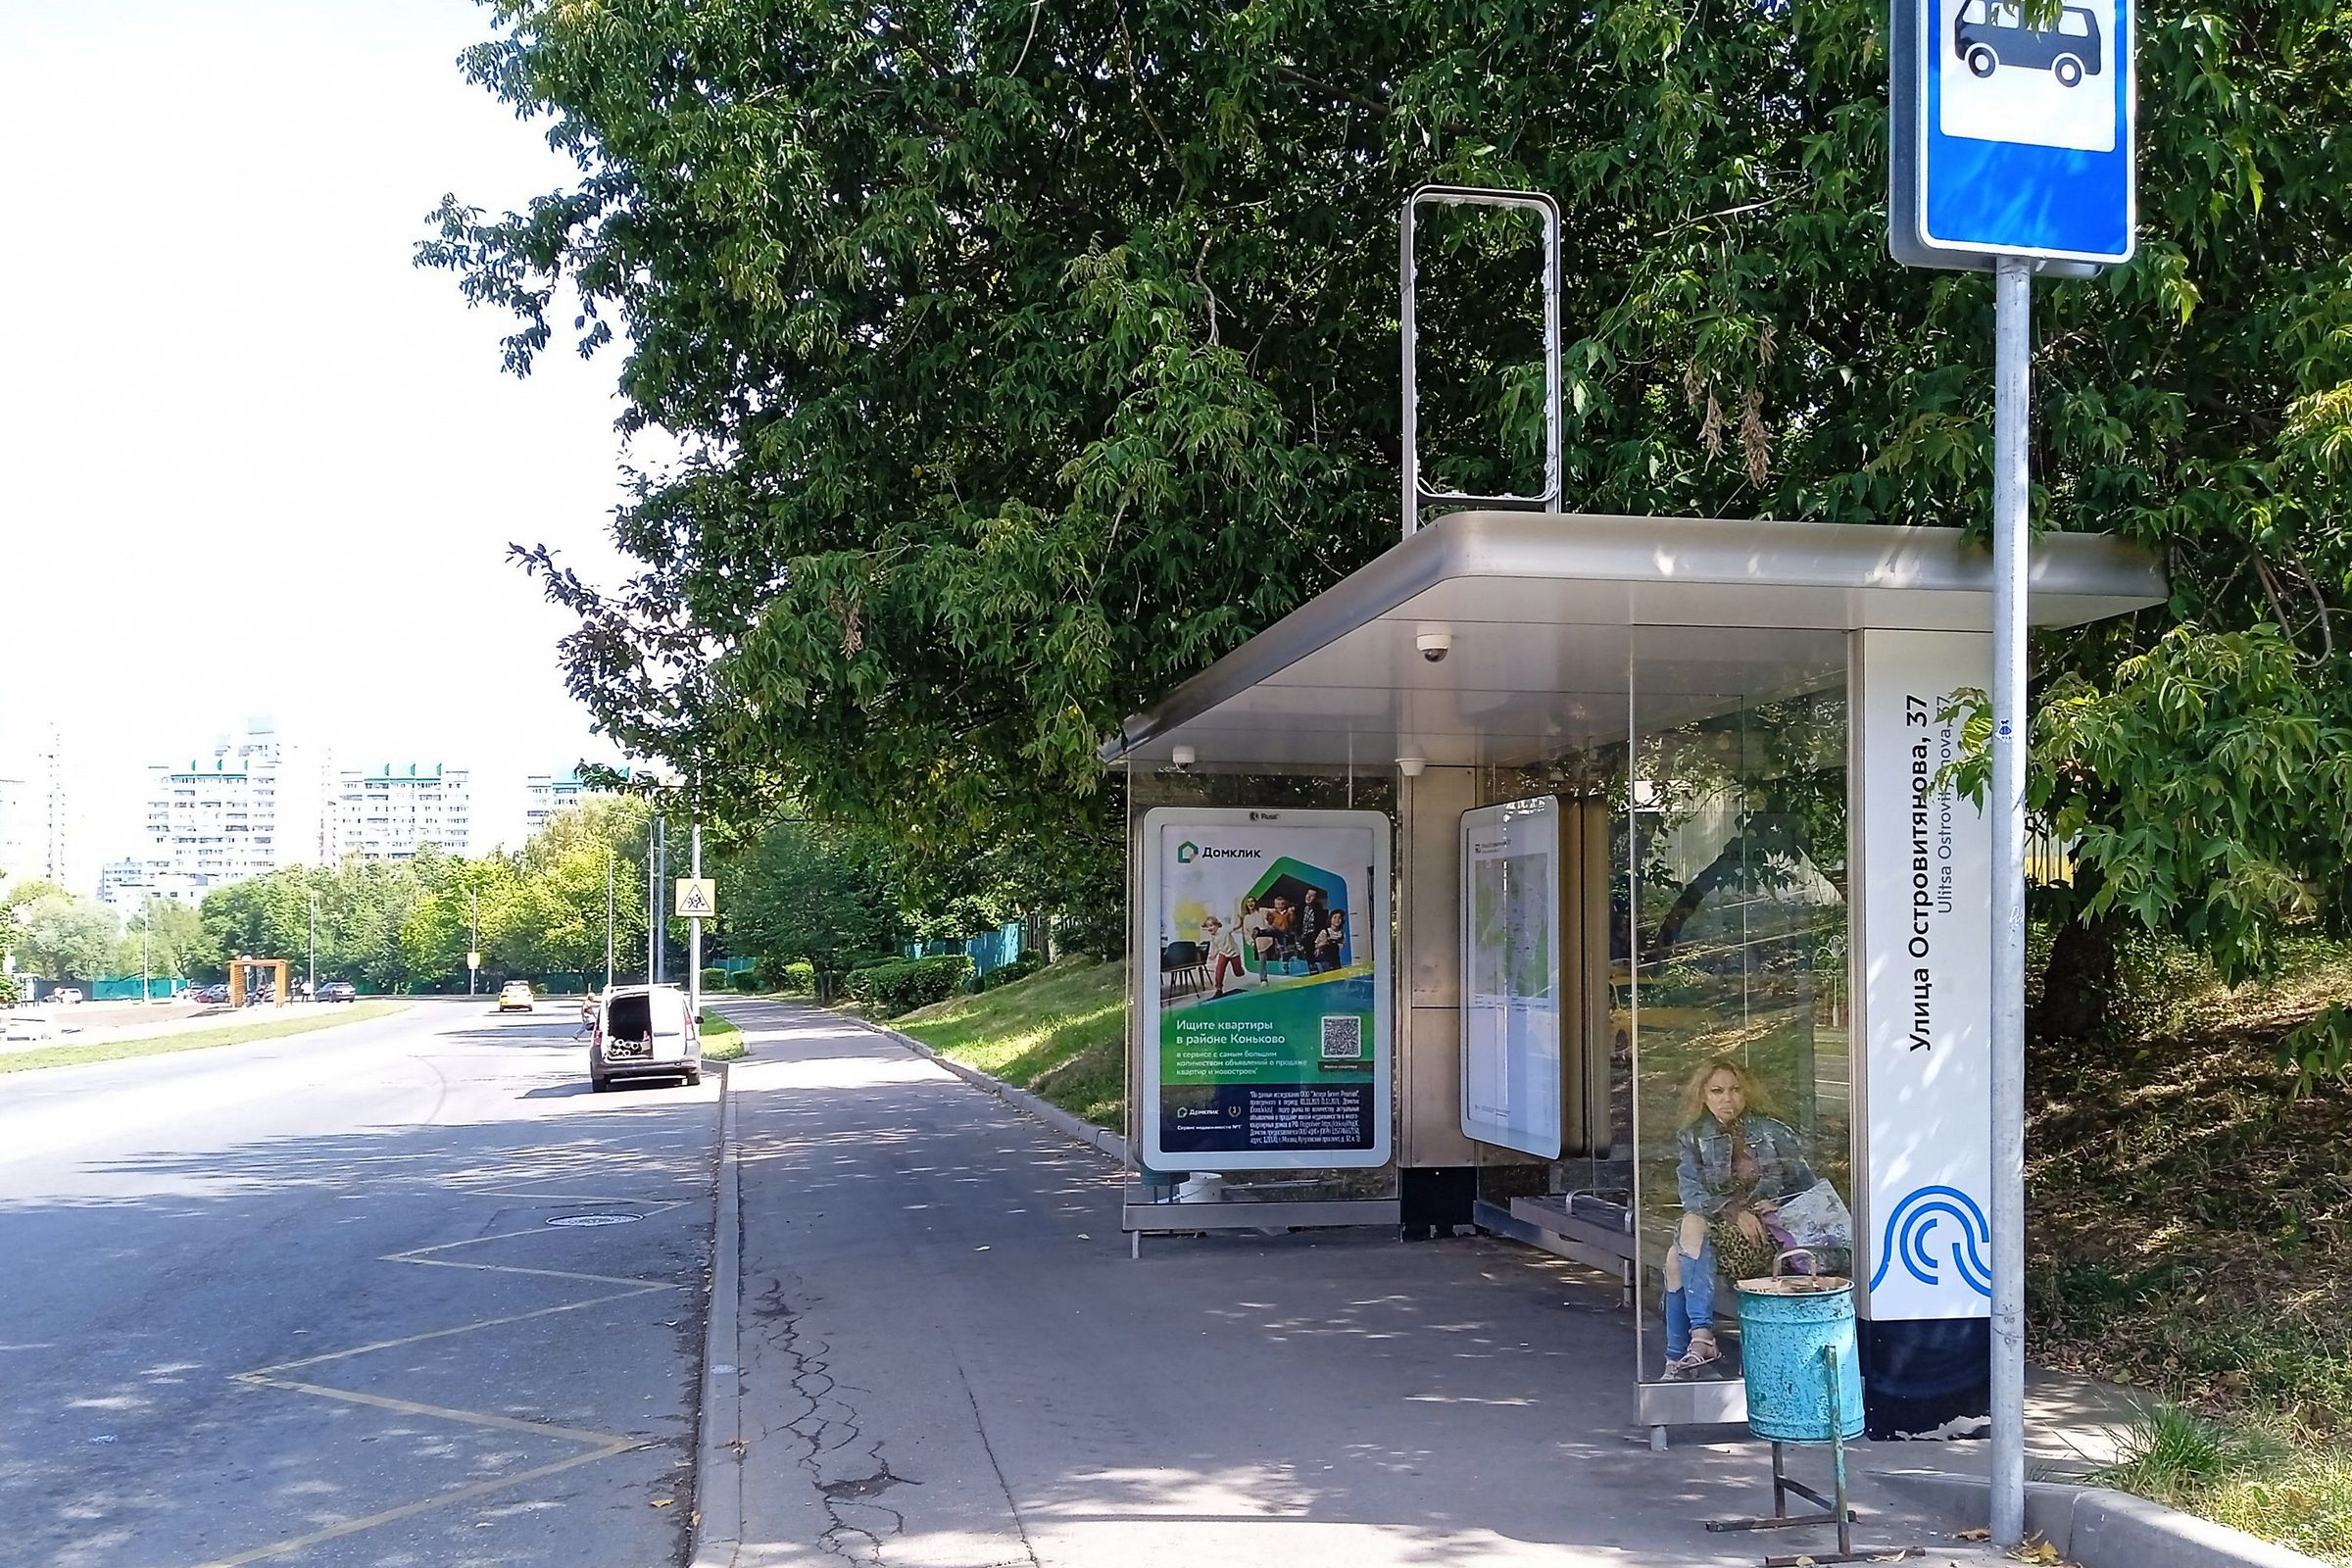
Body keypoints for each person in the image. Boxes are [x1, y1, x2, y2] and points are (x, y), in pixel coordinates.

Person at [1659, 1056, 1820, 1380]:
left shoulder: (1773, 1132)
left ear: (1747, 1093)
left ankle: (1682, 1354)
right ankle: (1697, 1338)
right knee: (1686, 1235)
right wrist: (1733, 1211)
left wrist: (1777, 1205)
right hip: (1720, 1231)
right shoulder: (1693, 1137)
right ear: (1703, 1095)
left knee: (1676, 1257)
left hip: (1767, 1236)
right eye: (1717, 1091)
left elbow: (1808, 1189)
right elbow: (1691, 1193)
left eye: (1735, 1090)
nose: (1727, 1099)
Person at [1202, 914, 1244, 998]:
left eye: (1211, 925)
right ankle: (1219, 989)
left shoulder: (1224, 930)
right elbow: (1215, 947)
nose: (1209, 928)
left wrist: (1240, 920)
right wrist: (1213, 955)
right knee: (1219, 970)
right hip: (1223, 954)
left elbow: (1237, 926)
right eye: (1207, 926)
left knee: (1238, 973)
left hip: (1234, 953)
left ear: (1217, 925)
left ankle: (1240, 970)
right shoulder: (1213, 937)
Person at [1239, 896, 1273, 978]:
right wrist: (1251, 943)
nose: (1250, 903)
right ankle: (1263, 979)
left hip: (1270, 939)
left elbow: (1274, 911)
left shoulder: (1262, 911)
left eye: (1252, 901)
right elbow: (1246, 933)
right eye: (1248, 902)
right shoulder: (1246, 918)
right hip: (1259, 943)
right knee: (1262, 961)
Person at [1311, 908, 1347, 972]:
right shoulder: (1324, 932)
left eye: (1339, 918)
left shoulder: (1342, 934)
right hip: (1325, 961)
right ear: (1330, 919)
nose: (1337, 920)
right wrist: (1322, 944)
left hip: (1336, 961)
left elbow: (1342, 946)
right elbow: (1316, 945)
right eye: (1335, 917)